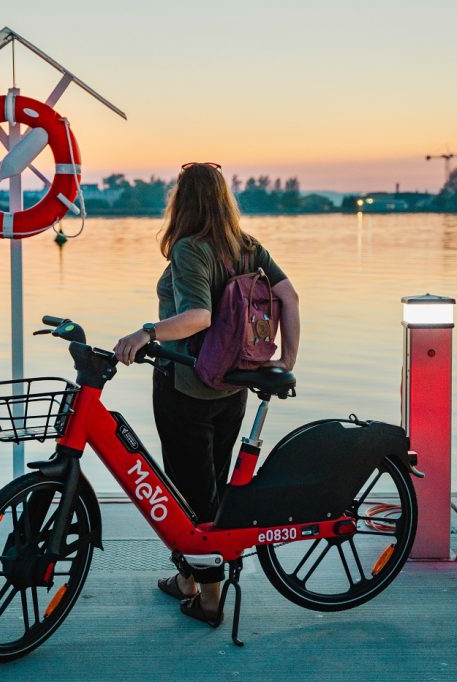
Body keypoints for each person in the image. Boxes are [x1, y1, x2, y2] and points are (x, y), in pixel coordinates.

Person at [114, 162, 300, 626]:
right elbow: (291, 297)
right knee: (210, 482)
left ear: (182, 201)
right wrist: (285, 363)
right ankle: (188, 579)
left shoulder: (189, 249)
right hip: (232, 385)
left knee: (186, 490)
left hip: (188, 386)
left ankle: (210, 599)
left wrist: (146, 333)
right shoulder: (247, 247)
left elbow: (197, 316)